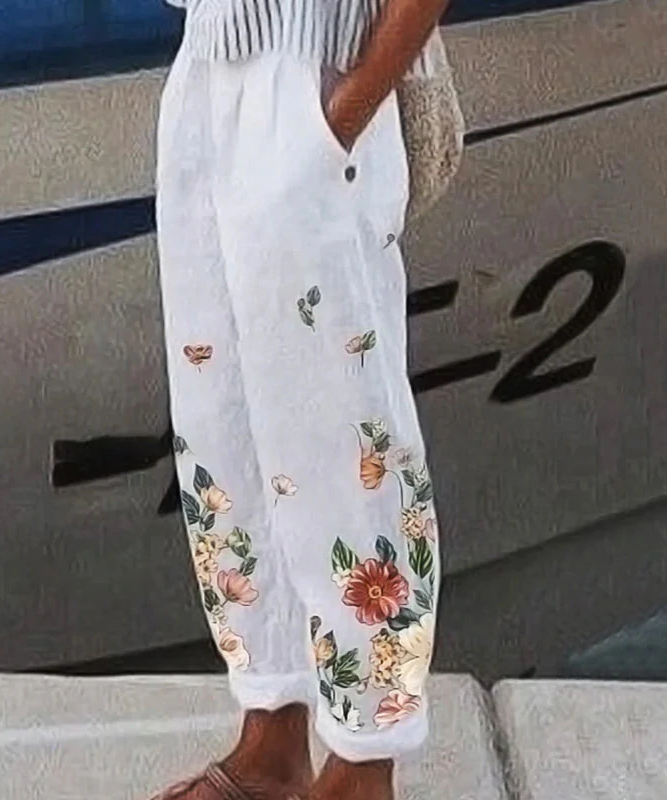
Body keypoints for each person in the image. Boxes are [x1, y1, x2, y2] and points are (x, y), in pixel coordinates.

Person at [152, 0, 447, 795]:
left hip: (315, 82)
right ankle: (272, 738)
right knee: (226, 429)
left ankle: (364, 765)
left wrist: (342, 116)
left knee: (344, 449)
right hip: (209, 76)